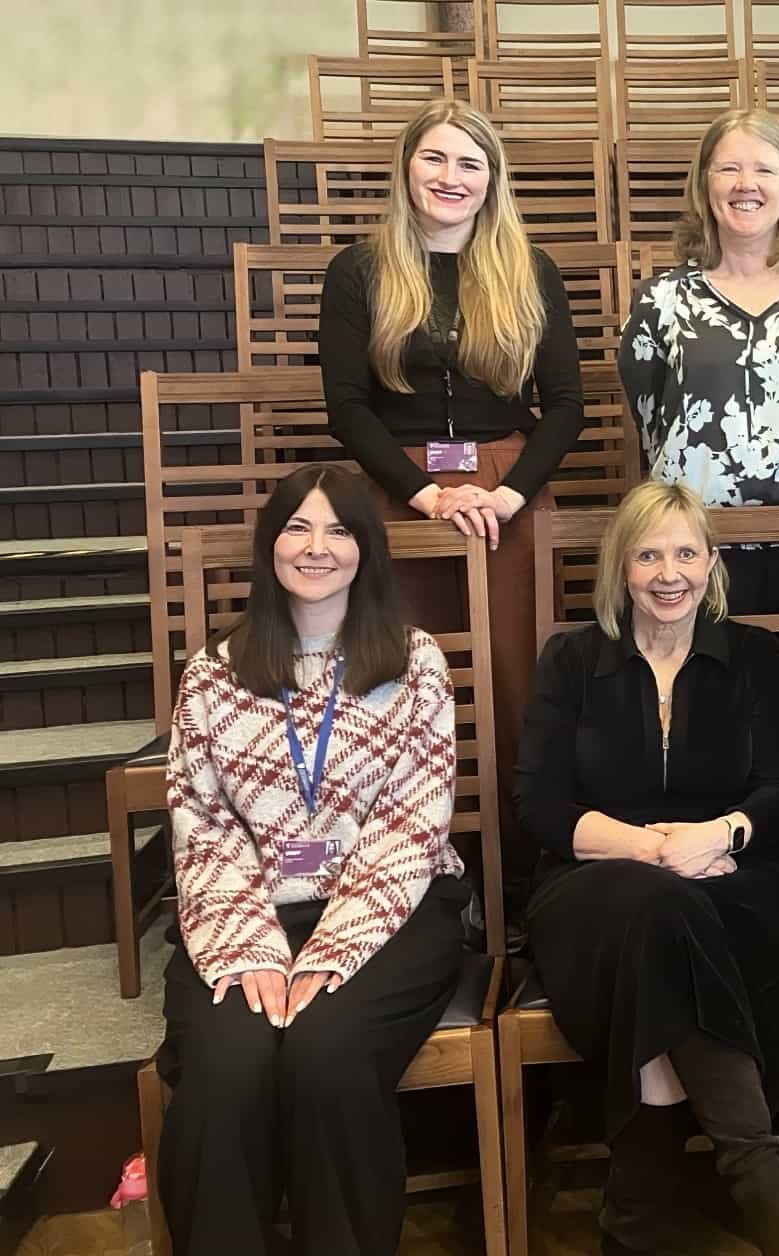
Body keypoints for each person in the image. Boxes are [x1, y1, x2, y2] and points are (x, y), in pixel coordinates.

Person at [156, 465, 470, 1255]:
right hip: (245, 916)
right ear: (270, 545)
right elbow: (201, 822)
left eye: (338, 529)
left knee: (328, 1053)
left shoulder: (416, 662)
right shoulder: (214, 672)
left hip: (392, 914)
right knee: (225, 1068)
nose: (316, 547)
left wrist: (333, 948)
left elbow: (413, 825)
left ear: (366, 549)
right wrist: (251, 947)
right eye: (297, 527)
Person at [513, 481, 779, 1256]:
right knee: (655, 908)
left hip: (733, 880)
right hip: (594, 887)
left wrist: (720, 833)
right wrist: (655, 849)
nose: (668, 574)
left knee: (660, 943)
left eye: (686, 553)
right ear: (620, 567)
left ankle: (633, 1217)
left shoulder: (752, 656)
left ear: (711, 564)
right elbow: (540, 803)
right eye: (648, 555)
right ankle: (759, 1183)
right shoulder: (571, 661)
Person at [318, 97, 585, 878]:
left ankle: (529, 866)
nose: (450, 176)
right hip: (399, 491)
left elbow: (565, 405)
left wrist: (509, 495)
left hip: (508, 493)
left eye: (470, 163)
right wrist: (425, 495)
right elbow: (348, 408)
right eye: (434, 157)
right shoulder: (359, 271)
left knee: (514, 675)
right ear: (406, 168)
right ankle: (420, 869)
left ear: (491, 179)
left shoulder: (529, 270)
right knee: (402, 679)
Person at [619, 107, 779, 615]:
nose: (746, 184)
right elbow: (652, 425)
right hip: (693, 549)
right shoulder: (661, 300)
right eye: (728, 168)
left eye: (763, 169)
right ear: (704, 184)